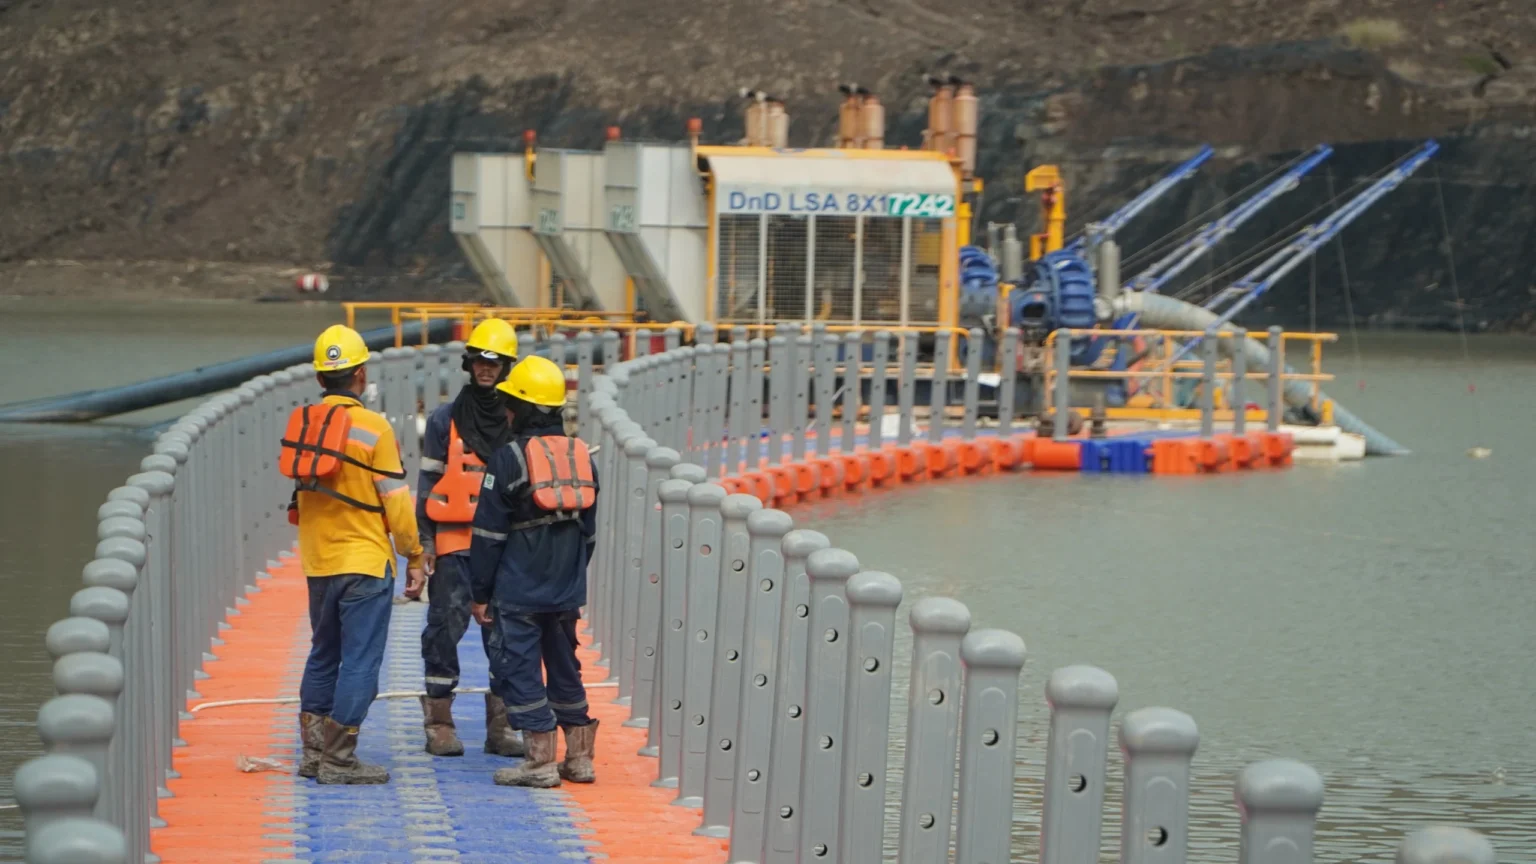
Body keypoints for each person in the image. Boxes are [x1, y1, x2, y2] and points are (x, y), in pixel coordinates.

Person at [280, 324, 426, 785]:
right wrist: (415, 556)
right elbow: (397, 502)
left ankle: (313, 754)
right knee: (360, 661)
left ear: (321, 378)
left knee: (323, 654)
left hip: (318, 562)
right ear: (361, 375)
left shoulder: (304, 421)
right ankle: (340, 761)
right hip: (365, 561)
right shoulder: (374, 426)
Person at [468, 355, 600, 787]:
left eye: (510, 403)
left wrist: (481, 591)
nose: (505, 410)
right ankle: (580, 759)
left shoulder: (508, 458)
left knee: (519, 668)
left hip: (519, 590)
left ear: (522, 409)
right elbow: (590, 535)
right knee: (565, 667)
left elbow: (488, 534)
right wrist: (569, 579)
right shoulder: (582, 458)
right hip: (566, 591)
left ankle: (540, 762)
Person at [413, 318, 526, 758]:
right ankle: (440, 723)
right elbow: (427, 486)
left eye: (494, 362)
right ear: (469, 363)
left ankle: (501, 728)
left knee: (505, 634)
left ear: (507, 367)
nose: (486, 369)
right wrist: (423, 546)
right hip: (455, 543)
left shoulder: (519, 420)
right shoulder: (445, 421)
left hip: (504, 546)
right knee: (444, 630)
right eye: (480, 360)